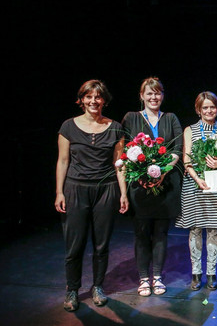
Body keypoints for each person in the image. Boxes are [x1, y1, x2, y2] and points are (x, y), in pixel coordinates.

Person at [55, 80, 128, 312]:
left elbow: (119, 164)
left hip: (105, 189)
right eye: (88, 97)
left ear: (104, 100)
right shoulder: (68, 126)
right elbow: (63, 161)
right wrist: (59, 191)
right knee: (74, 244)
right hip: (75, 188)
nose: (93, 101)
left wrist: (123, 193)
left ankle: (98, 286)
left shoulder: (115, 127)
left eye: (97, 97)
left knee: (101, 243)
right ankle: (73, 289)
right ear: (81, 100)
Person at [121, 77, 182, 297]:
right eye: (149, 93)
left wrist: (162, 172)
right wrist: (142, 175)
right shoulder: (131, 118)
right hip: (139, 185)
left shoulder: (171, 118)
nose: (154, 97)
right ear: (141, 96)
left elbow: (177, 148)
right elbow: (125, 150)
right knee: (141, 233)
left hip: (165, 185)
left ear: (162, 96)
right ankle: (143, 279)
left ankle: (157, 276)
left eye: (157, 93)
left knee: (161, 233)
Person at [176, 91, 217, 291]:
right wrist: (198, 179)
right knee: (195, 229)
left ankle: (211, 274)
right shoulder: (190, 130)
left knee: (213, 230)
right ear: (198, 110)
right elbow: (187, 160)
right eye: (205, 107)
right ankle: (196, 273)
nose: (209, 110)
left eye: (212, 106)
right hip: (194, 185)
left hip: (216, 187)